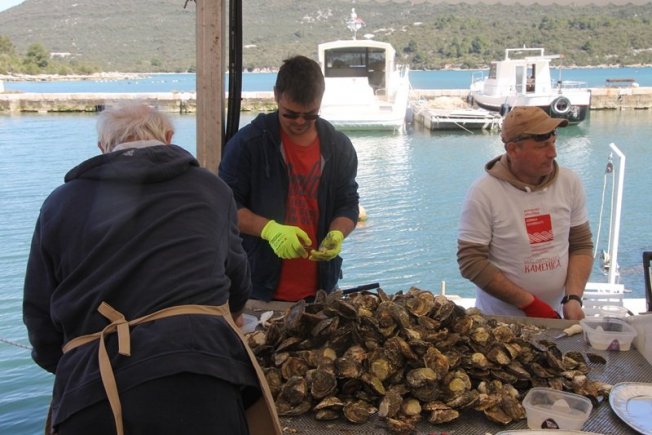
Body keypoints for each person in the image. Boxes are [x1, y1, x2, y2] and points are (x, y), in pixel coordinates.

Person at [23, 103, 281, 435]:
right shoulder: (211, 189)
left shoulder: (59, 203)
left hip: (95, 389)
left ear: (103, 147)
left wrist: (76, 367)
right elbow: (238, 284)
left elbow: (40, 320)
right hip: (203, 376)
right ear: (169, 137)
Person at [219, 55, 359, 302]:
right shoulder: (247, 145)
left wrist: (337, 233)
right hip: (257, 290)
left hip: (322, 291)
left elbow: (347, 202)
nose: (300, 122)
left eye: (310, 115)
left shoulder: (339, 146)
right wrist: (269, 230)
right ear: (276, 95)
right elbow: (225, 206)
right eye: (290, 114)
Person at [457, 106, 594, 320]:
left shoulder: (569, 182)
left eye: (553, 142)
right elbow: (471, 261)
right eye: (542, 146)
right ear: (513, 150)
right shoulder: (484, 192)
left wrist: (573, 297)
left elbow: (581, 245)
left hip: (556, 315)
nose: (553, 153)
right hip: (501, 322)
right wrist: (530, 304)